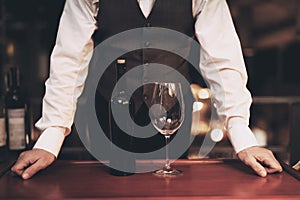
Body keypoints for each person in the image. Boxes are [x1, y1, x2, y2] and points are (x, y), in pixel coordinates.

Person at [11, 0, 282, 179]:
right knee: (108, 190)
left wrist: (242, 138)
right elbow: (69, 57)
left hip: (172, 113)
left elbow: (222, 59)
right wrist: (50, 138)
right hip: (107, 110)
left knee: (170, 189)